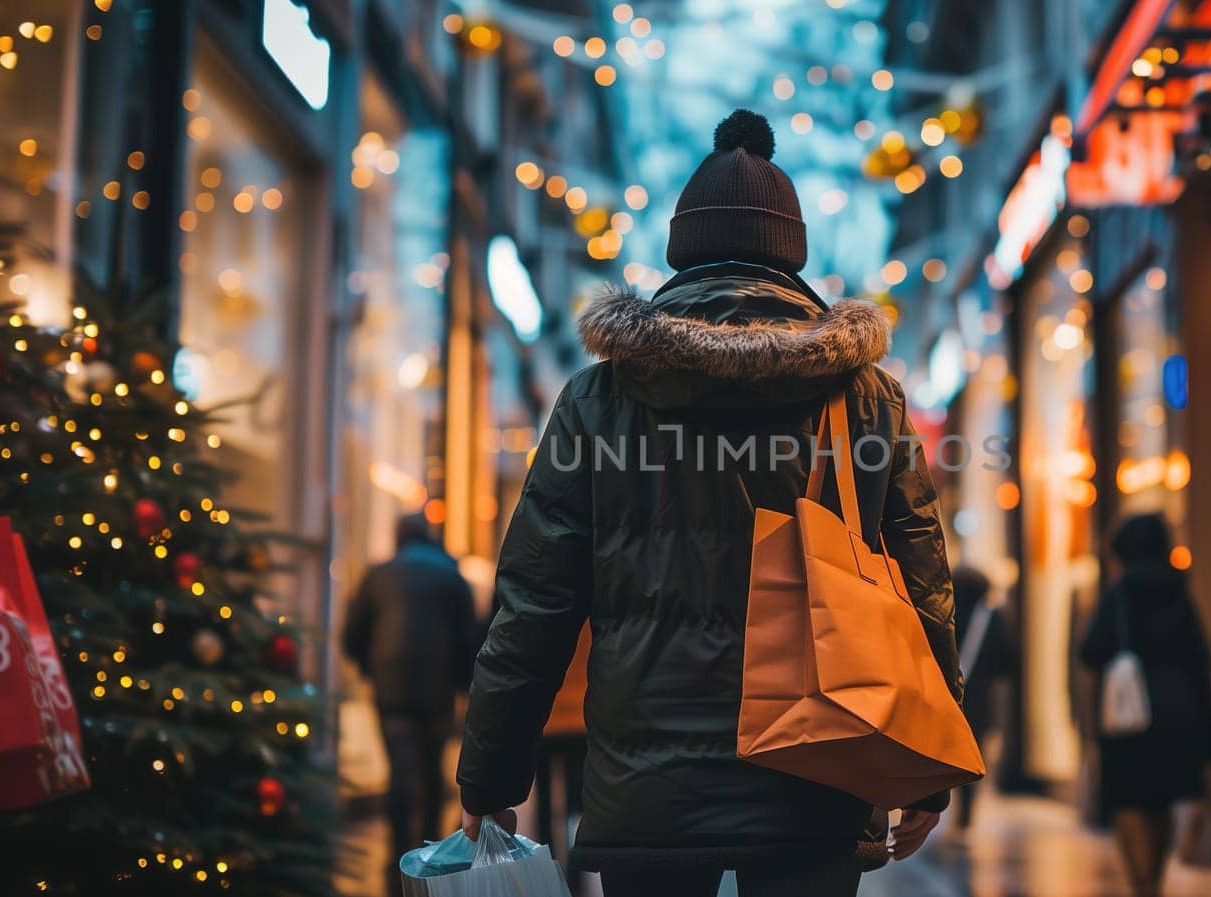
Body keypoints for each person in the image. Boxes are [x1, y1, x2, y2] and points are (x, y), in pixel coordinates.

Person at [455, 109, 961, 897]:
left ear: (680, 247)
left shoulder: (600, 398)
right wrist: (924, 770)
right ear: (790, 251)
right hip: (819, 774)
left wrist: (490, 774)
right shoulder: (866, 401)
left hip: (647, 790)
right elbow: (924, 585)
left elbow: (535, 602)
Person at [1078, 514, 1211, 897]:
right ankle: (1153, 882)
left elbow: (1089, 651)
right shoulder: (1180, 593)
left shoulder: (1119, 594)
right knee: (1160, 802)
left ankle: (1142, 885)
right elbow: (1200, 663)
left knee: (1131, 800)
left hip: (1129, 720)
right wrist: (1209, 742)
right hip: (1178, 716)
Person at [342, 513, 482, 895]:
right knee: (431, 763)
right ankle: (429, 848)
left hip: (390, 688)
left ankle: (399, 852)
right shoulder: (451, 577)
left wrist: (368, 666)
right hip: (436, 689)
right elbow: (470, 638)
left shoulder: (379, 575)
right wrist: (461, 685)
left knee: (400, 769)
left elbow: (352, 633)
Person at [949, 566, 1016, 831]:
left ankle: (938, 802)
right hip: (977, 698)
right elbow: (1008, 659)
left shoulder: (944, 611)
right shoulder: (991, 618)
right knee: (973, 755)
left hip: (945, 698)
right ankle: (966, 812)